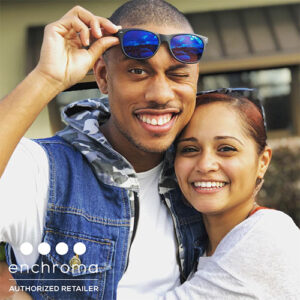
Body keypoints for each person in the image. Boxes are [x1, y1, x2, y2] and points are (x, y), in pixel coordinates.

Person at [0, 1, 208, 299]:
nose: (161, 94)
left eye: (178, 74)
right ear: (102, 76)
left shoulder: (201, 175)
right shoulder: (43, 171)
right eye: (137, 71)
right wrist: (46, 79)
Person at [160, 88, 300, 299]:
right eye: (189, 149)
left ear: (262, 162)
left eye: (226, 148)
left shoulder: (269, 235)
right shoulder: (193, 249)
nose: (205, 165)